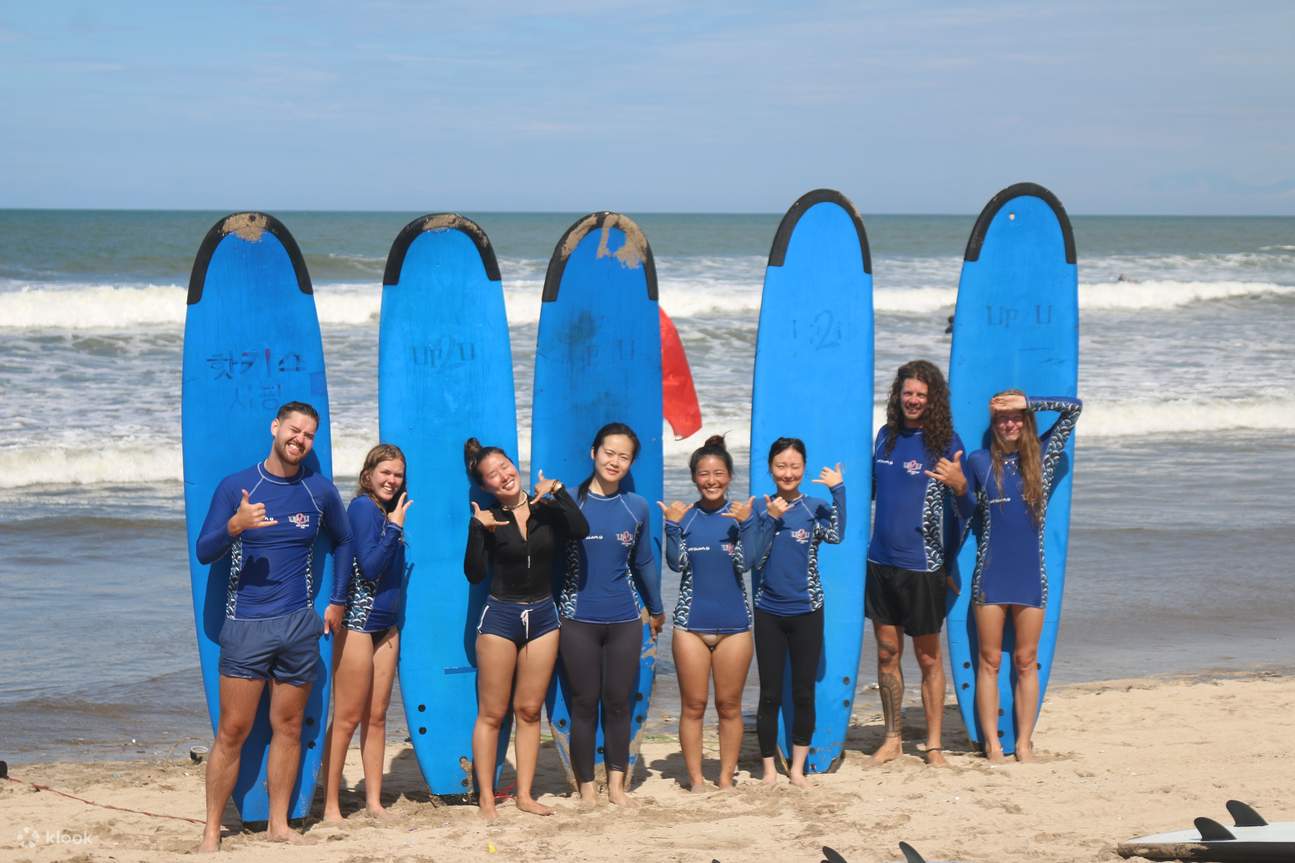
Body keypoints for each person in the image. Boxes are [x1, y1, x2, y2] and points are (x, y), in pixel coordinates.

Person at [193, 401, 353, 852]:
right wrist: (235, 525)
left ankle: (279, 823)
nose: (299, 439)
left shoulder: (318, 492)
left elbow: (342, 541)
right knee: (233, 730)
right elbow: (205, 551)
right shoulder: (237, 487)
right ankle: (210, 829)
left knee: (288, 726)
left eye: (308, 435)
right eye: (293, 430)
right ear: (275, 428)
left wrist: (337, 600)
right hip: (245, 625)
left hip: (299, 625)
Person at [462, 438, 587, 819]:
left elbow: (580, 529)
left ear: (515, 467)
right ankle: (486, 797)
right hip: (501, 616)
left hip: (544, 617)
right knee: (492, 713)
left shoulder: (545, 511)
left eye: (505, 467)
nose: (503, 476)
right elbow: (475, 574)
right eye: (492, 475)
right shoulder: (489, 519)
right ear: (485, 486)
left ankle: (525, 795)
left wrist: (560, 491)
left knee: (530, 710)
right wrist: (476, 529)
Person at [957, 390, 1082, 763]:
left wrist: (1028, 402)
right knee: (989, 661)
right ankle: (993, 744)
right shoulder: (979, 462)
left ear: (1024, 420)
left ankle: (1024, 743)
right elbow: (964, 515)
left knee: (1026, 660)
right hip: (991, 575)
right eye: (1000, 419)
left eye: (1014, 418)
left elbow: (1073, 410)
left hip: (1030, 575)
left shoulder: (1040, 457)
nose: (1008, 424)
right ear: (992, 425)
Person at [865, 360, 966, 767]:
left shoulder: (946, 443)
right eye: (907, 393)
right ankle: (892, 738)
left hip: (923, 566)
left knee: (928, 657)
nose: (913, 400)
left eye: (921, 395)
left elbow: (967, 508)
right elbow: (873, 492)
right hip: (880, 561)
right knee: (888, 652)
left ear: (932, 399)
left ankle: (935, 744)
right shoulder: (885, 438)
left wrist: (960, 486)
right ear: (898, 395)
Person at [558, 422, 664, 806]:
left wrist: (657, 608)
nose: (614, 461)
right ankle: (586, 787)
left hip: (623, 620)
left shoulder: (636, 507)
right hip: (577, 619)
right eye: (609, 452)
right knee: (584, 703)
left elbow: (645, 562)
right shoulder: (569, 501)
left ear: (631, 462)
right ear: (594, 452)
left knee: (619, 702)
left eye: (624, 456)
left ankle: (617, 785)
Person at [661, 434, 760, 792]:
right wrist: (671, 527)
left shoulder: (741, 516)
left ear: (730, 475)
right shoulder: (684, 518)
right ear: (694, 478)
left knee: (729, 704)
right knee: (694, 704)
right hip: (690, 624)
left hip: (735, 624)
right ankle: (697, 779)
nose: (712, 480)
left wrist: (749, 524)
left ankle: (725, 777)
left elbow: (747, 562)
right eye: (704, 474)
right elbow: (676, 564)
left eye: (719, 473)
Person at [320, 444, 413, 821]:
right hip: (358, 624)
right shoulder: (362, 509)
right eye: (385, 472)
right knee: (346, 717)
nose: (391, 480)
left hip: (386, 628)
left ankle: (373, 801)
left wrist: (393, 523)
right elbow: (371, 567)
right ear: (369, 474)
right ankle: (330, 804)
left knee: (377, 718)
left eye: (398, 474)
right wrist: (394, 529)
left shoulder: (386, 511)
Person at [749, 438, 845, 787]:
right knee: (770, 692)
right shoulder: (760, 507)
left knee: (803, 691)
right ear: (771, 468)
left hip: (807, 609)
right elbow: (753, 559)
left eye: (794, 466)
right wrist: (769, 521)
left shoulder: (815, 507)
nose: (787, 473)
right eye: (780, 466)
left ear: (803, 469)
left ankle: (798, 769)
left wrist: (839, 492)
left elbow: (836, 535)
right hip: (768, 611)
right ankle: (769, 770)